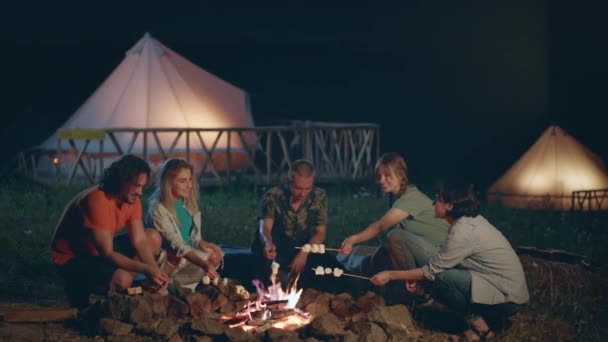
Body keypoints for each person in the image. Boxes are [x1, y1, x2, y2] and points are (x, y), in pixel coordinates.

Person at [370, 180, 529, 341]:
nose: (433, 203)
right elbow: (441, 259)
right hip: (492, 284)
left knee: (440, 277)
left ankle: (479, 325)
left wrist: (390, 275)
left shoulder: (463, 232)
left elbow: (432, 271)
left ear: (450, 206)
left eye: (438, 199)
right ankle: (473, 319)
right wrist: (414, 275)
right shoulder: (464, 222)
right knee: (399, 238)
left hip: (507, 297)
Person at [51, 154, 169, 308]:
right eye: (136, 186)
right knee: (123, 279)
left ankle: (121, 288)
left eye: (143, 186)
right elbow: (107, 252)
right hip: (72, 258)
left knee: (152, 237)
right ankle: (83, 287)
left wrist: (154, 269)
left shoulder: (131, 200)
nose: (140, 192)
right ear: (122, 180)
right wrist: (146, 269)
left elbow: (139, 241)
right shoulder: (98, 200)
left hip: (98, 249)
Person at [340, 153, 449, 281]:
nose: (381, 180)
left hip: (440, 255)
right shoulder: (398, 197)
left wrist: (352, 239)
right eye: (379, 176)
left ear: (400, 175)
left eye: (387, 175)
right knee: (367, 252)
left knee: (394, 236)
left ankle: (417, 288)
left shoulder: (411, 198)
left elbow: (381, 226)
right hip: (421, 249)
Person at [251, 159, 338, 290]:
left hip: (302, 246)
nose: (303, 194)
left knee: (332, 272)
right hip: (277, 246)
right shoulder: (272, 196)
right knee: (263, 270)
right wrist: (267, 242)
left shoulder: (319, 196)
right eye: (298, 188)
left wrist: (304, 252)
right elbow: (265, 228)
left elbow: (320, 233)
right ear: (288, 182)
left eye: (307, 188)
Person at [147, 158, 223, 290]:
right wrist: (204, 264)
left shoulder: (188, 204)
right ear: (168, 182)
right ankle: (166, 286)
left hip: (186, 254)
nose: (189, 185)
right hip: (168, 259)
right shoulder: (158, 209)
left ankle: (192, 287)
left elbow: (192, 238)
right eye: (183, 181)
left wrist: (201, 242)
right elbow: (177, 246)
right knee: (178, 257)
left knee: (215, 255)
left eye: (190, 180)